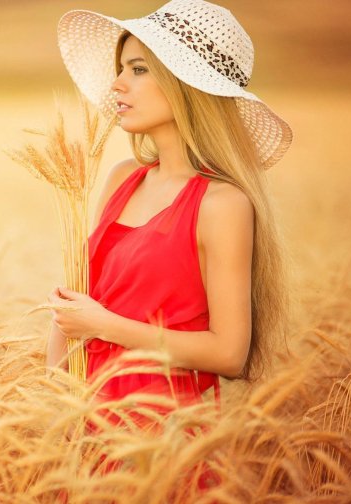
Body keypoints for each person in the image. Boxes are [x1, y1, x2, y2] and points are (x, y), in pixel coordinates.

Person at [45, 0, 294, 434]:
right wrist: (58, 400)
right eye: (121, 67)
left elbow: (228, 354)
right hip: (86, 428)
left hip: (164, 438)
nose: (117, 83)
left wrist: (104, 325)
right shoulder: (123, 179)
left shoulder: (222, 204)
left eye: (138, 69)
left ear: (187, 84)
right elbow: (75, 303)